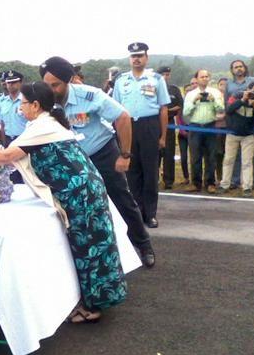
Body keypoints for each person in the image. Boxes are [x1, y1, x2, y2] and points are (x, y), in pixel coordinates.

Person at [0, 81, 127, 322]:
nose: (19, 108)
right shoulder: (43, 123)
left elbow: (8, 156)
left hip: (79, 193)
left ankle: (93, 306)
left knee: (88, 245)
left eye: (22, 103)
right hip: (81, 189)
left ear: (35, 105)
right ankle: (96, 300)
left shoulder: (43, 125)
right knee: (92, 241)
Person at [40, 56, 155, 267]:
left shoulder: (90, 95)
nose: (51, 89)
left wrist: (125, 155)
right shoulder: (45, 101)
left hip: (103, 154)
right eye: (47, 85)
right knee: (79, 207)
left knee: (122, 200)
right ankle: (91, 254)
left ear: (69, 81)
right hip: (73, 162)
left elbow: (122, 116)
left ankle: (143, 244)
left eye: (55, 85)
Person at [113, 42, 170, 228]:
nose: (136, 59)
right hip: (128, 126)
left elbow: (163, 109)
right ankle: (136, 213)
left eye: (140, 55)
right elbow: (115, 109)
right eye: (133, 56)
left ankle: (150, 214)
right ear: (130, 59)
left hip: (149, 126)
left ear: (146, 58)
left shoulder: (156, 79)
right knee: (132, 172)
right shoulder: (121, 81)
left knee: (151, 171)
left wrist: (162, 136)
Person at [183, 69, 224, 193]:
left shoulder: (215, 93)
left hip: (210, 126)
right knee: (195, 157)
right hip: (195, 127)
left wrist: (213, 100)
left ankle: (210, 183)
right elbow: (185, 113)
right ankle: (196, 183)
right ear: (196, 79)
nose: (205, 79)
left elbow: (221, 109)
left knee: (211, 156)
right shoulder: (190, 94)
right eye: (202, 77)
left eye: (207, 76)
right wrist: (195, 100)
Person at [218, 81, 254, 197]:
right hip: (233, 134)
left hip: (249, 135)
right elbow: (229, 110)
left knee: (247, 162)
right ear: (248, 89)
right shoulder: (236, 95)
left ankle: (247, 187)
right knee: (228, 160)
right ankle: (224, 184)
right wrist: (242, 100)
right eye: (253, 91)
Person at [157, 66, 184, 190]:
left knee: (169, 153)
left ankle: (168, 181)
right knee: (154, 153)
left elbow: (179, 105)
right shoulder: (152, 89)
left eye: (167, 74)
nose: (165, 77)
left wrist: (166, 111)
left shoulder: (174, 89)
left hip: (169, 123)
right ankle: (154, 178)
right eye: (163, 74)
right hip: (154, 123)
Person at [215, 77, 229, 182]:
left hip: (229, 129)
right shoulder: (214, 97)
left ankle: (228, 177)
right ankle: (219, 176)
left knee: (228, 154)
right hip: (216, 129)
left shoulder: (231, 97)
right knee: (218, 153)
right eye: (221, 84)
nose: (223, 87)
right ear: (218, 85)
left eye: (226, 85)